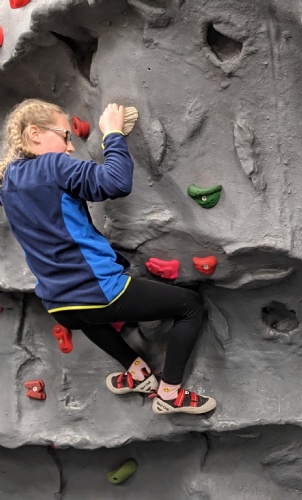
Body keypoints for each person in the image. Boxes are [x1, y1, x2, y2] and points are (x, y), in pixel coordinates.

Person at [0, 98, 216, 415]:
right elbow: (115, 182)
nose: (69, 147)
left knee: (88, 317)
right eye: (65, 136)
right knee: (190, 306)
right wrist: (113, 134)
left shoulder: (7, 181)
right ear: (34, 133)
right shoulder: (53, 166)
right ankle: (170, 394)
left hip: (58, 304)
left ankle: (137, 373)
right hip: (96, 289)